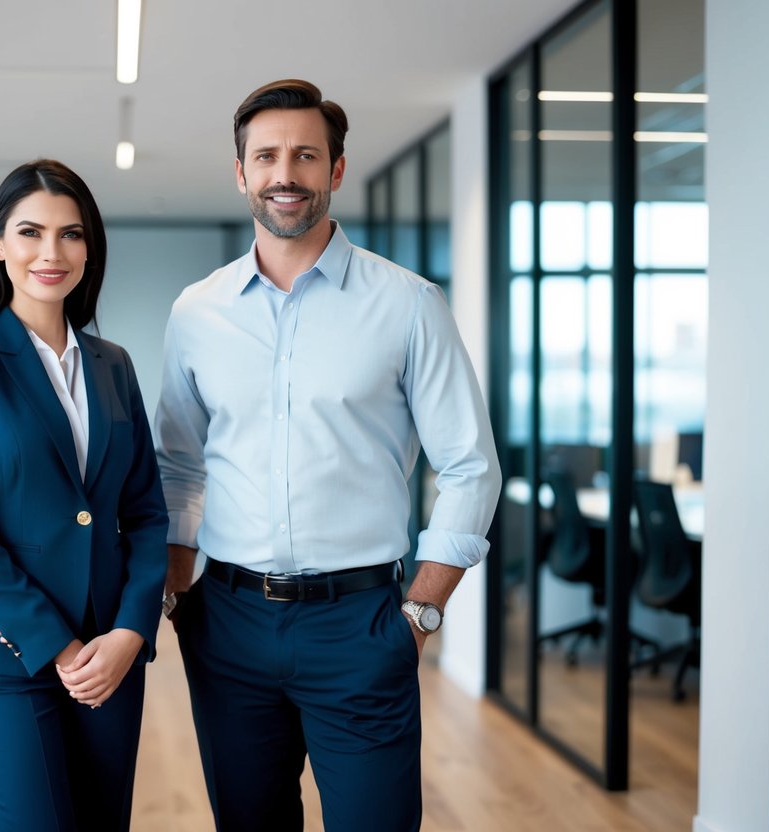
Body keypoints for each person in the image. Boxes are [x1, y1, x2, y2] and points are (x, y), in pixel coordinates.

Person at [153, 79, 501, 832]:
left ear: (335, 170)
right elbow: (178, 465)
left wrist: (421, 614)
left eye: (305, 155)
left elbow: (470, 466)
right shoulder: (197, 312)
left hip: (362, 626)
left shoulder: (408, 304)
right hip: (229, 622)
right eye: (267, 156)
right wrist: (181, 595)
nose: (286, 173)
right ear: (240, 172)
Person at [0, 158, 168, 832]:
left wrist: (130, 630)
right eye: (30, 232)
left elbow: (145, 511)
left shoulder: (112, 364)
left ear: (90, 248)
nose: (51, 253)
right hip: (4, 655)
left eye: (71, 234)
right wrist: (59, 648)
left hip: (108, 655)